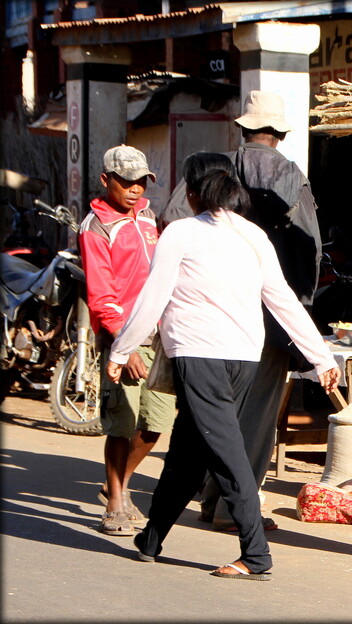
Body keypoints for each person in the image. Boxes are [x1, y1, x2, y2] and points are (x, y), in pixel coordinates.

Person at [106, 153, 339, 580]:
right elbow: (282, 299)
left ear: (192, 193)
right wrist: (320, 355)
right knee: (189, 449)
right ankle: (151, 539)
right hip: (244, 357)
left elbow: (152, 297)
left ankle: (256, 555)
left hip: (199, 354)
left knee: (225, 451)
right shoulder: (253, 235)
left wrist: (121, 350)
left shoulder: (180, 232)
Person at [162, 90, 324, 532]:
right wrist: (300, 307)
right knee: (256, 416)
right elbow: (311, 247)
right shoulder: (290, 175)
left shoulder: (215, 167)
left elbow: (172, 216)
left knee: (219, 409)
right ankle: (234, 508)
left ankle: (210, 498)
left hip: (211, 313)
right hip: (270, 314)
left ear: (243, 128)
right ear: (281, 134)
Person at [79, 145, 176, 536]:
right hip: (123, 338)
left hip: (158, 334)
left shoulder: (149, 217)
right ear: (106, 180)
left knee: (155, 423)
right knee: (122, 422)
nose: (135, 189)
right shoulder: (95, 226)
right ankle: (116, 501)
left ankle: (115, 482)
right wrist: (125, 345)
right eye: (126, 182)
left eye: (141, 182)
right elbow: (101, 295)